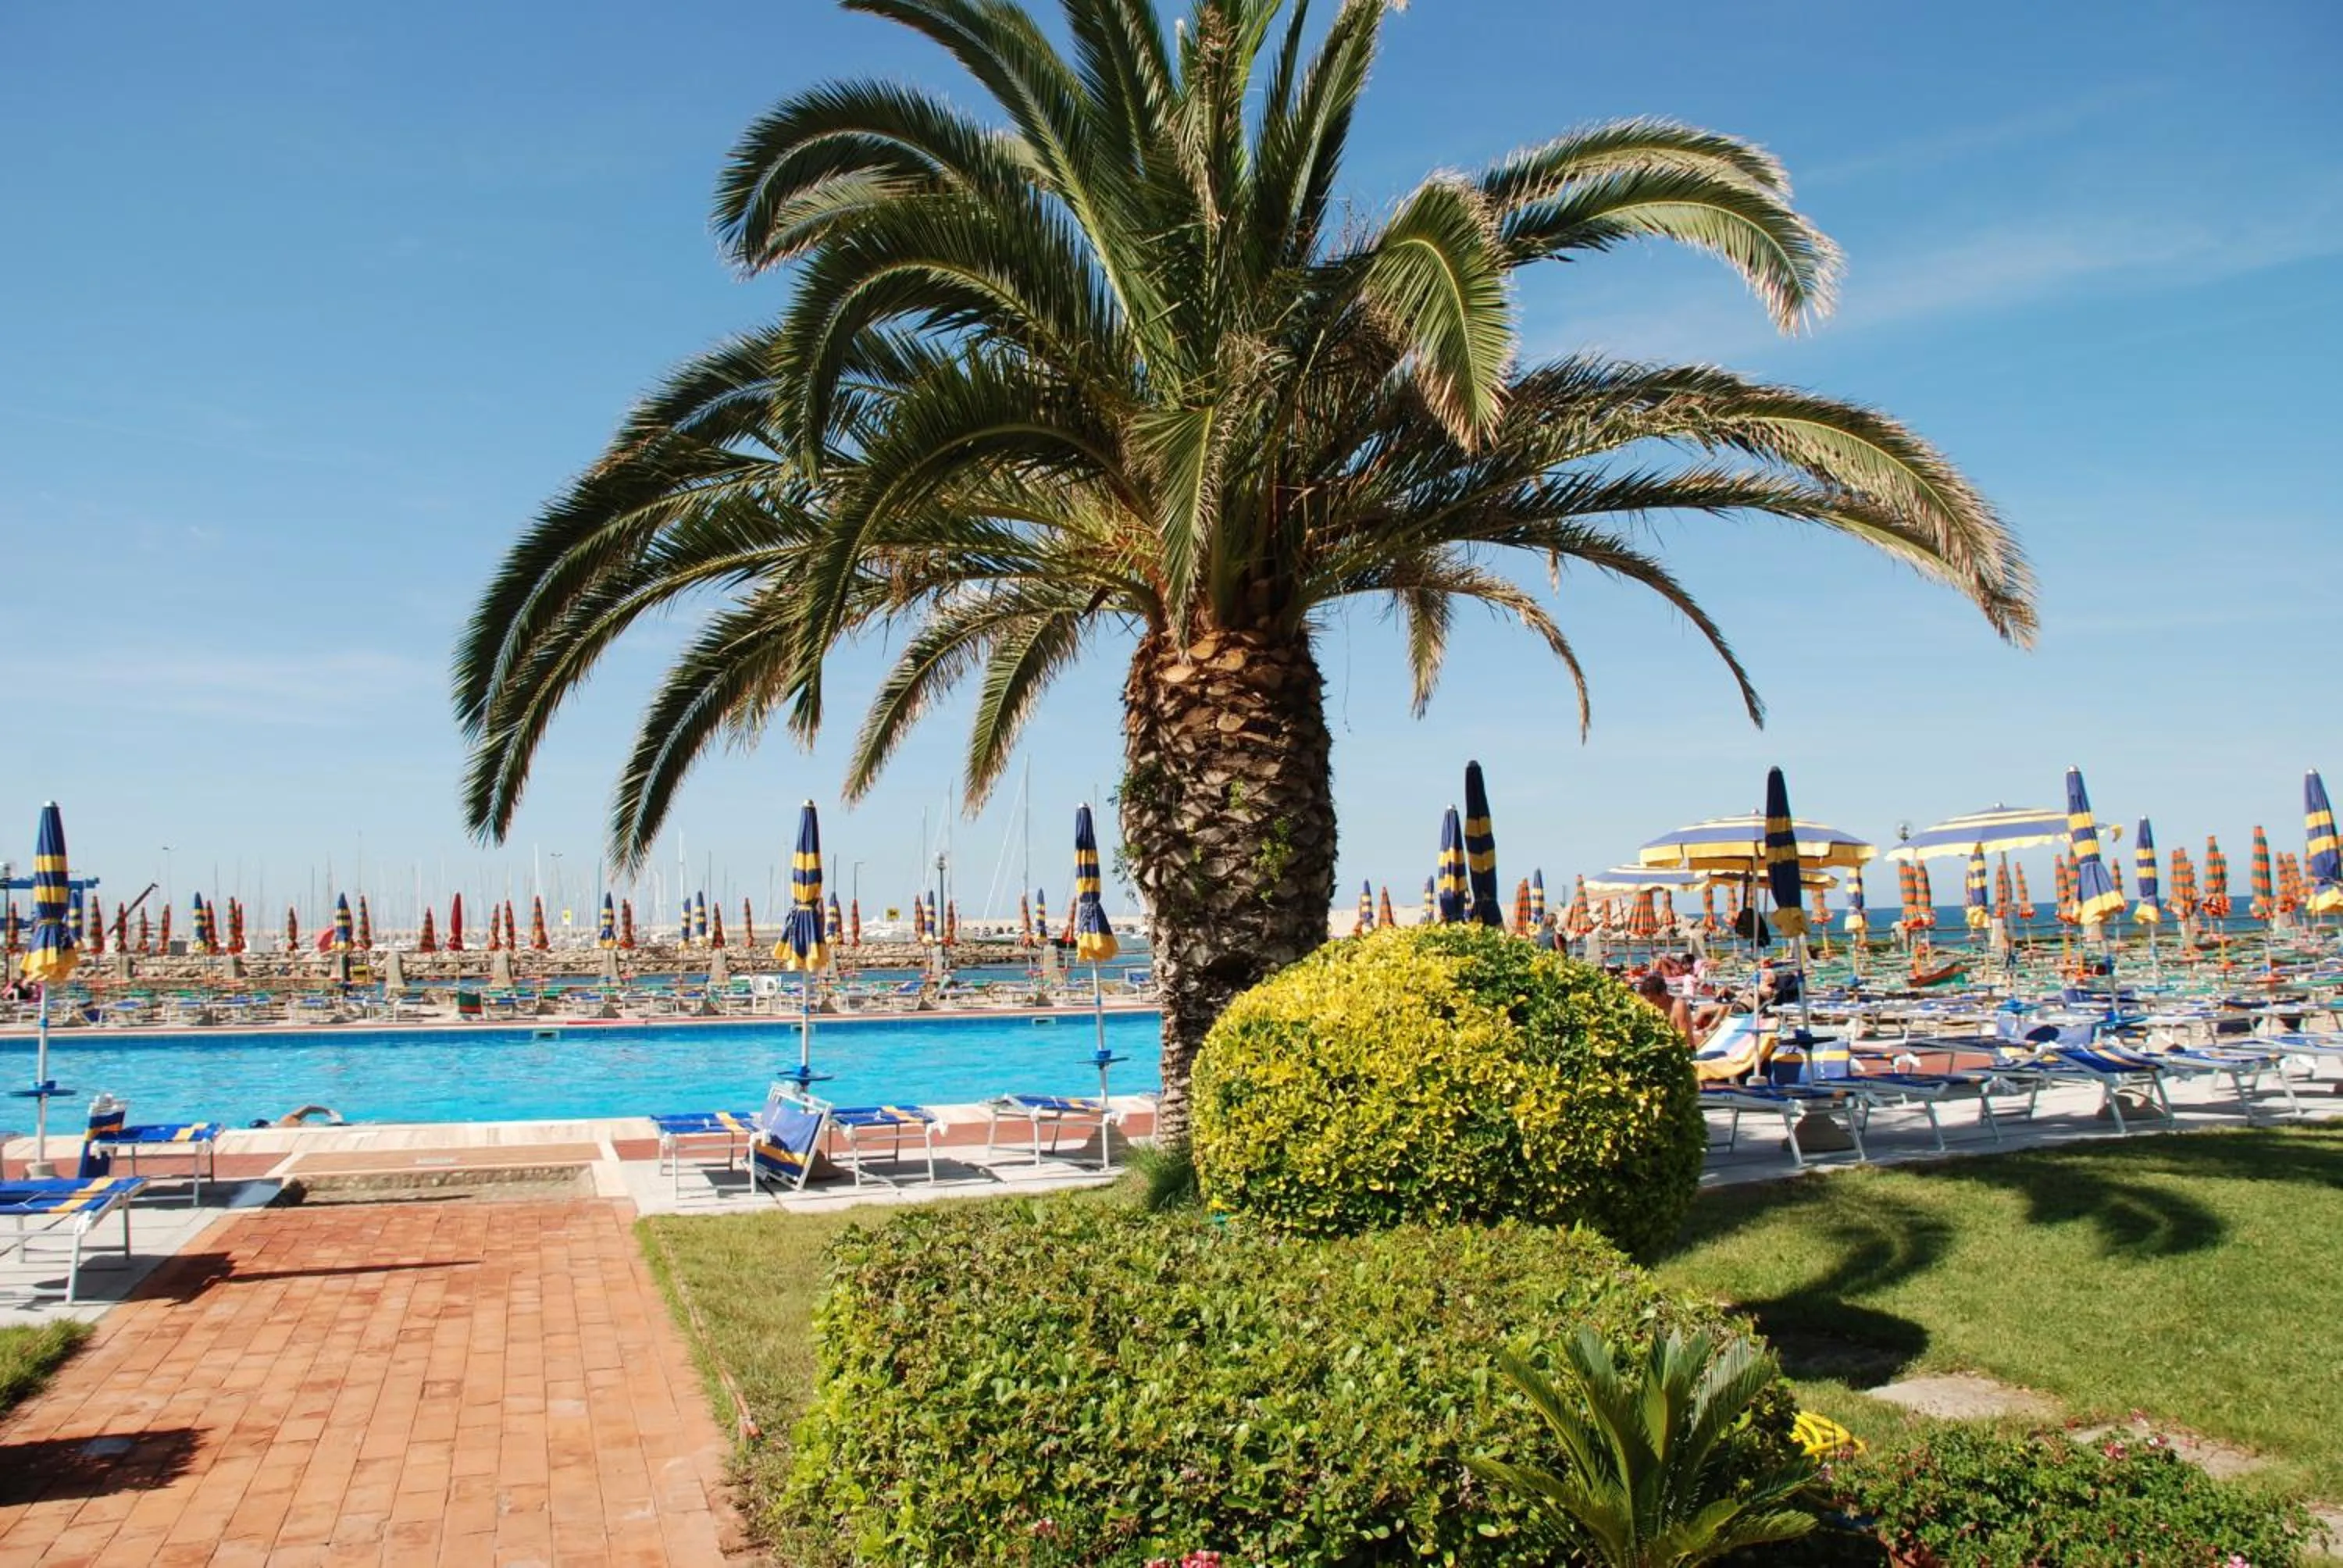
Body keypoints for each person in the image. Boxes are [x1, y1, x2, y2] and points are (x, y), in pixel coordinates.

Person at [1635, 971, 1696, 1046]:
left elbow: (1685, 1040)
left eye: (1653, 999)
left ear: (1663, 993)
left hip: (1682, 1050)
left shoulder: (1678, 1006)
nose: (1651, 1004)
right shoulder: (1649, 1006)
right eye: (1648, 1001)